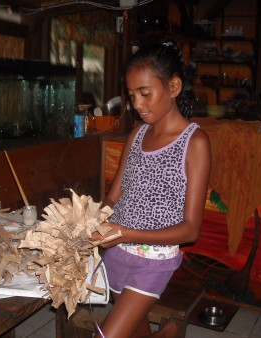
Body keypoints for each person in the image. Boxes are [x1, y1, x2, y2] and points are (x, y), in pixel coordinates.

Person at [91, 41, 211, 338]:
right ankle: (165, 335)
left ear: (173, 86)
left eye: (145, 93)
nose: (137, 105)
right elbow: (114, 196)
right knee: (136, 331)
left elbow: (190, 230)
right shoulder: (137, 134)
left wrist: (129, 233)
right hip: (117, 253)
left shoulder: (194, 143)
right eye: (132, 96)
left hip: (154, 261)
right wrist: (91, 222)